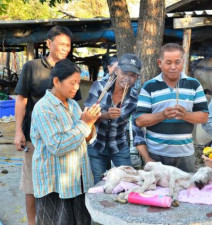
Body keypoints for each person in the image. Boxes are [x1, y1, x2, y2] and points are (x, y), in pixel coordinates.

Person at [14, 25, 80, 225]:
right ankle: (32, 222)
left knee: (60, 184)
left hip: (62, 138)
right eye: (60, 44)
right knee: (32, 185)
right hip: (36, 139)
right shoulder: (32, 67)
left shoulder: (71, 70)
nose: (64, 48)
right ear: (49, 43)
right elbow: (21, 99)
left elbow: (75, 104)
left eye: (68, 45)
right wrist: (18, 131)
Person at [30, 59, 100, 225]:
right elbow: (58, 146)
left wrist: (90, 125)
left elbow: (86, 138)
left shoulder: (74, 105)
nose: (76, 87)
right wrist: (85, 124)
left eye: (78, 82)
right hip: (55, 184)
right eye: (72, 83)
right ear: (56, 81)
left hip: (78, 181)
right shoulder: (44, 108)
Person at [135, 43, 209, 173]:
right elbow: (139, 120)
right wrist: (162, 115)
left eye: (177, 62)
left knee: (185, 190)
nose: (173, 67)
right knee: (156, 192)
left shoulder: (194, 84)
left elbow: (204, 116)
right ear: (160, 63)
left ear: (183, 62)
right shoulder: (149, 86)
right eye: (168, 62)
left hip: (185, 154)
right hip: (155, 154)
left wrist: (185, 115)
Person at [84, 53, 147, 184]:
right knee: (100, 184)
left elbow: (137, 130)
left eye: (132, 75)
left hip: (119, 145)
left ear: (137, 77)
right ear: (117, 70)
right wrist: (105, 115)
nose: (127, 78)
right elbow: (86, 117)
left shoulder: (135, 98)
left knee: (128, 182)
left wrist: (147, 158)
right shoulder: (100, 87)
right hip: (96, 145)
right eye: (124, 73)